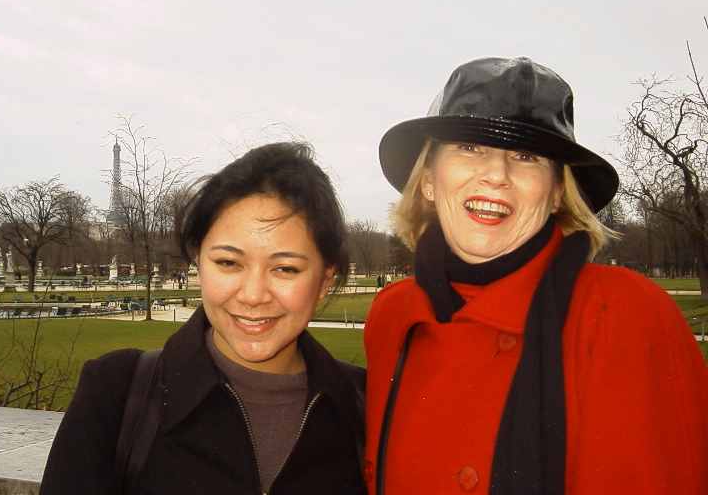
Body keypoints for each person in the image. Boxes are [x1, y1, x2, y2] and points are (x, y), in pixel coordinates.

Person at [365, 57, 708, 495]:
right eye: (470, 148)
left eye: (525, 157)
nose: (496, 175)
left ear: (557, 194)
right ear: (429, 180)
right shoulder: (392, 316)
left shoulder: (625, 316)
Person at [40, 142, 366, 495]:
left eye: (285, 268)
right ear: (199, 264)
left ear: (324, 282)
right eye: (228, 263)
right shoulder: (113, 394)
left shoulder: (371, 406)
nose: (253, 295)